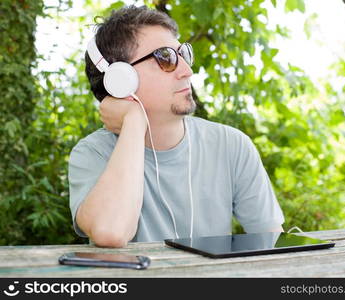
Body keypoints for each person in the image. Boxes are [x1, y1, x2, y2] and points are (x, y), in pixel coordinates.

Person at [68, 5, 285, 248]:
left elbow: (273, 241)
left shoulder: (231, 145)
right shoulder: (92, 153)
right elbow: (110, 232)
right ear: (121, 80)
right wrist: (134, 121)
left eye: (183, 54)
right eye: (166, 58)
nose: (187, 71)